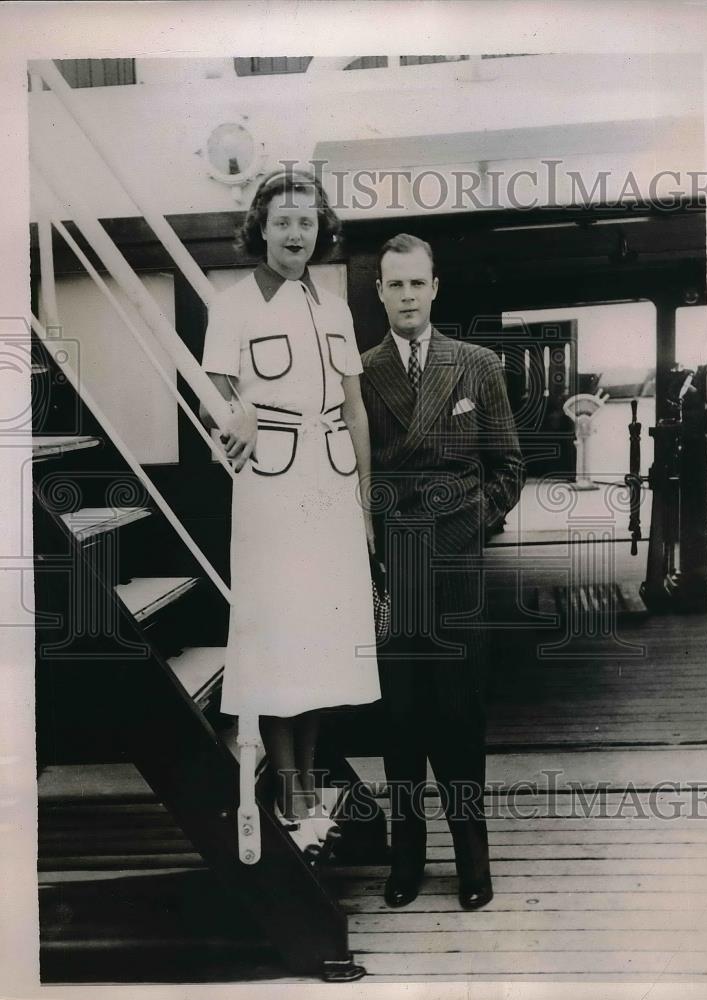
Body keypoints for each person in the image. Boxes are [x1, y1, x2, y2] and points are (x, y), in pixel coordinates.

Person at [199, 168, 381, 854]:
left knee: (320, 638)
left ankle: (308, 789)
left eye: (306, 222)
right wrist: (237, 407)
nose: (295, 233)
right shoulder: (233, 303)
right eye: (282, 222)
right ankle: (294, 790)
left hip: (330, 486)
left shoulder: (333, 308)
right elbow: (215, 385)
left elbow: (357, 410)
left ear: (319, 231)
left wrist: (363, 506)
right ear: (261, 230)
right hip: (272, 485)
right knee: (277, 633)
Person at [361, 233, 524, 909]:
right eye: (393, 284)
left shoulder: (477, 364)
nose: (406, 296)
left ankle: (472, 859)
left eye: (416, 283)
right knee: (400, 713)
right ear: (379, 292)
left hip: (456, 558)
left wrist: (471, 522)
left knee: (460, 713)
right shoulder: (359, 370)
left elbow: (509, 466)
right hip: (391, 555)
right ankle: (406, 858)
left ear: (435, 288)